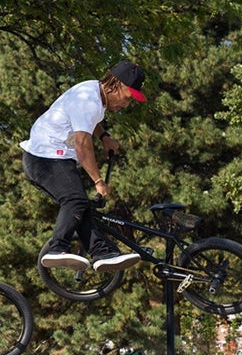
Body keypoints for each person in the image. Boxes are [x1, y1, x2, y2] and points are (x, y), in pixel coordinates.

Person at [21, 59, 148, 271]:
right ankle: (56, 248)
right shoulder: (88, 100)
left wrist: (104, 136)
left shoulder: (95, 95)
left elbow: (90, 121)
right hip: (44, 157)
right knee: (75, 200)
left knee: (82, 208)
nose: (126, 105)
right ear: (114, 86)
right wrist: (98, 181)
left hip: (54, 157)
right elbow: (82, 144)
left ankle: (102, 253)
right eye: (127, 98)